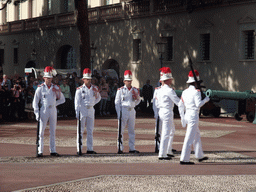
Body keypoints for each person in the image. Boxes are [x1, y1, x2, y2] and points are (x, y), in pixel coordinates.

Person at [178, 70, 210, 165]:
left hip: (188, 114)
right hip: (193, 116)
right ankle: (184, 158)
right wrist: (206, 100)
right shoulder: (196, 92)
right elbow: (198, 104)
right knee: (189, 137)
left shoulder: (185, 92)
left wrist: (182, 117)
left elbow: (180, 105)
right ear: (195, 82)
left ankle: (199, 155)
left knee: (196, 135)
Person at [33, 66, 65, 157]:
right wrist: (36, 113)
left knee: (53, 131)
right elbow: (35, 102)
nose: (49, 80)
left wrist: (55, 104)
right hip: (44, 109)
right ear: (44, 78)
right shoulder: (40, 88)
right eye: (47, 78)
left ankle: (53, 150)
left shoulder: (55, 88)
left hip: (53, 110)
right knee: (41, 131)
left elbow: (62, 99)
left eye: (50, 78)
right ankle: (40, 151)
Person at [75, 68, 101, 155]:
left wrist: (93, 103)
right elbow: (76, 102)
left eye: (90, 79)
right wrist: (77, 113)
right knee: (80, 130)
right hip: (82, 109)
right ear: (83, 80)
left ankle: (90, 148)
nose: (89, 81)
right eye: (87, 79)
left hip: (90, 109)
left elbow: (99, 98)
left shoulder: (94, 88)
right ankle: (79, 149)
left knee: (90, 130)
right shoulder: (79, 89)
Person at [115, 70, 141, 154]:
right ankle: (120, 148)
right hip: (124, 110)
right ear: (124, 81)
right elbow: (117, 102)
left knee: (132, 130)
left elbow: (138, 100)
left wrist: (135, 101)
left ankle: (132, 148)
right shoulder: (120, 90)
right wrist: (119, 113)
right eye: (127, 81)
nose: (129, 82)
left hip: (132, 110)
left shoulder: (135, 90)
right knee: (121, 130)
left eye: (130, 81)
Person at [157, 67, 180, 160]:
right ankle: (162, 153)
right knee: (166, 133)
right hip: (167, 111)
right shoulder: (169, 90)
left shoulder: (159, 90)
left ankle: (167, 150)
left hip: (162, 111)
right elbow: (178, 101)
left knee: (170, 131)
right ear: (168, 80)